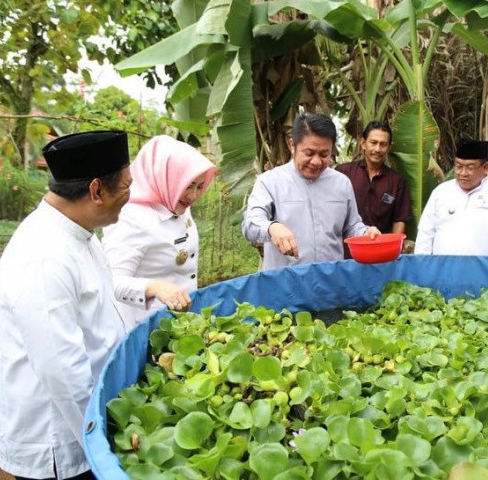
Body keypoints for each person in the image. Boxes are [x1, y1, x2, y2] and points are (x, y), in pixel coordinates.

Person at [0, 131, 131, 480]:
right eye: (125, 188)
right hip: (59, 440)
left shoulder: (80, 234)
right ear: (96, 191)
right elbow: (62, 371)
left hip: (89, 415)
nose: (129, 198)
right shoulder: (44, 256)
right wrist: (101, 440)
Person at [101, 136, 217, 331]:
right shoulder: (131, 218)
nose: (193, 195)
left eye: (198, 186)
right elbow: (111, 281)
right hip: (146, 327)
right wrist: (154, 287)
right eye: (187, 185)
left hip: (182, 322)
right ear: (166, 178)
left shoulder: (173, 201)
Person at [242, 112, 380, 270]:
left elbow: (351, 226)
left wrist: (366, 233)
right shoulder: (269, 182)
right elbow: (250, 225)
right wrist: (271, 227)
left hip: (331, 281)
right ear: (292, 145)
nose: (316, 161)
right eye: (309, 153)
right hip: (286, 284)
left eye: (324, 154)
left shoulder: (341, 183)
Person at [415, 138, 488, 259]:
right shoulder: (441, 193)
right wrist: (421, 263)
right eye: (459, 166)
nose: (463, 173)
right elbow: (426, 232)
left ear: (485, 168)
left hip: (485, 270)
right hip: (442, 269)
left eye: (470, 168)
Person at [336, 121, 412, 236]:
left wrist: (395, 247)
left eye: (383, 144)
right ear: (363, 143)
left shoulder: (397, 181)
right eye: (373, 143)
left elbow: (399, 220)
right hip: (346, 249)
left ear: (389, 147)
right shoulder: (343, 173)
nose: (377, 149)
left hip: (380, 249)